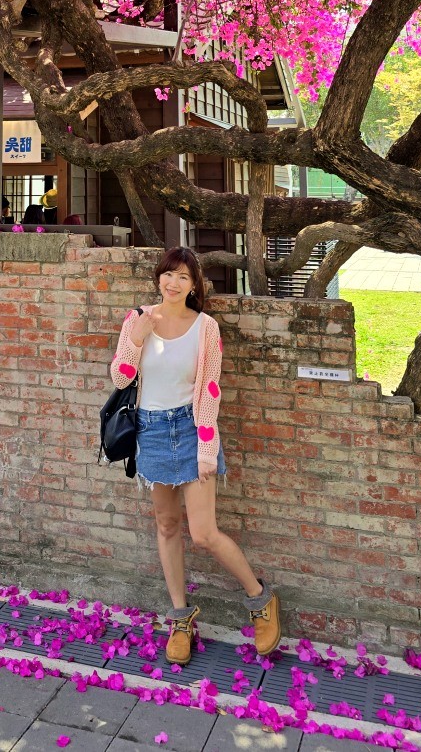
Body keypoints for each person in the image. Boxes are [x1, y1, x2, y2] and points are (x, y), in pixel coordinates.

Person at [109, 246, 281, 664]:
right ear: (159, 278)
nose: (173, 283)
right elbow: (120, 376)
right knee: (167, 526)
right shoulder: (139, 318)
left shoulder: (206, 328)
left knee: (203, 532)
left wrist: (207, 448)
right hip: (150, 430)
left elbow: (209, 392)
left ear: (194, 286)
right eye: (168, 275)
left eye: (183, 277)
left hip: (190, 429)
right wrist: (137, 338)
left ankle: (261, 601)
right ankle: (180, 620)